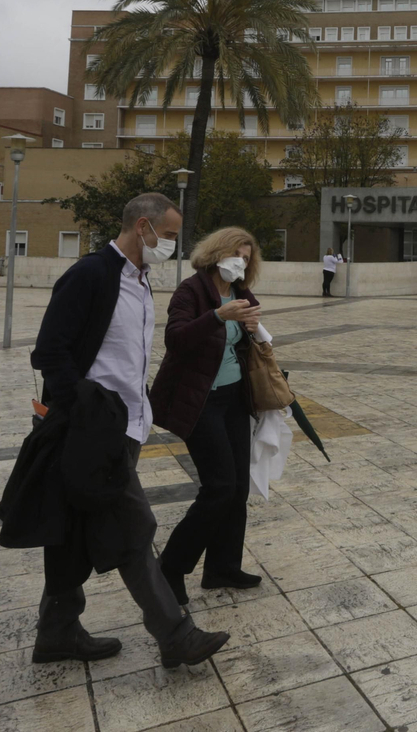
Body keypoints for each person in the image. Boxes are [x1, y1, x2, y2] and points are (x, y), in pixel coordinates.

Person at [25, 193, 229, 668]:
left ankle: (56, 633)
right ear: (144, 227)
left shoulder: (140, 280)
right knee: (136, 528)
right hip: (95, 430)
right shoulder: (91, 275)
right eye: (171, 235)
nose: (173, 245)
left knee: (72, 529)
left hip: (128, 426)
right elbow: (49, 351)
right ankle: (176, 636)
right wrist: (81, 409)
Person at [150, 227, 265, 605]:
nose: (242, 262)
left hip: (234, 398)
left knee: (238, 489)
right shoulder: (192, 290)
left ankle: (222, 567)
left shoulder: (242, 293)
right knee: (218, 488)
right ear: (217, 253)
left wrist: (252, 328)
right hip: (198, 400)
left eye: (247, 258)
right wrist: (218, 315)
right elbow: (176, 339)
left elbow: (247, 343)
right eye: (237, 254)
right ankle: (171, 566)